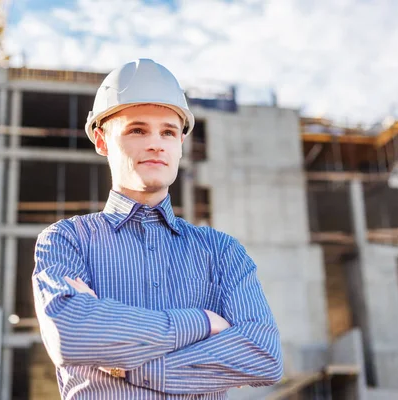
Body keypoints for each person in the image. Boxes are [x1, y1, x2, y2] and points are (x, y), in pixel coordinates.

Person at [32, 58, 282, 399]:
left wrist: (128, 365)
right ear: (102, 140)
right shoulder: (67, 241)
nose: (156, 143)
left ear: (180, 144)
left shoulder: (221, 251)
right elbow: (71, 335)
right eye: (137, 129)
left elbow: (262, 356)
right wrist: (202, 323)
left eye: (168, 131)